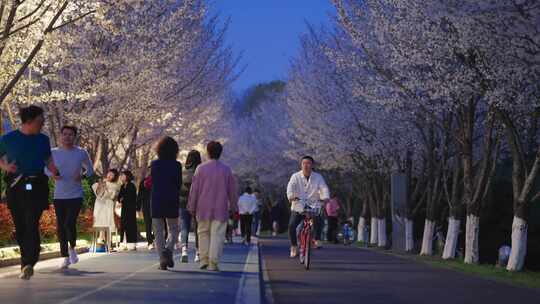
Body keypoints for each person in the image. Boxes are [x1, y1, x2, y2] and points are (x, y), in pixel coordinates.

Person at [0, 105, 59, 280]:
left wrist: (54, 171)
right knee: (20, 224)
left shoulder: (43, 139)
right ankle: (26, 262)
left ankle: (29, 261)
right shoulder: (8, 139)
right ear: (29, 121)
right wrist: (5, 166)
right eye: (40, 121)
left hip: (37, 183)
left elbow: (48, 158)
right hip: (17, 184)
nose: (42, 124)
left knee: (32, 220)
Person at [47, 125, 94, 269]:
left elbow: (90, 170)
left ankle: (72, 248)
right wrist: (52, 175)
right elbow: (45, 168)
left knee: (69, 223)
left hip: (75, 194)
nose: (67, 137)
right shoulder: (53, 152)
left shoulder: (81, 152)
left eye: (70, 135)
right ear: (60, 136)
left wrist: (82, 175)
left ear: (75, 137)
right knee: (61, 226)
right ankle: (65, 256)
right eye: (65, 134)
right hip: (59, 195)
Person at [188, 141, 238, 271]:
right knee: (217, 235)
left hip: (202, 208)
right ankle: (213, 262)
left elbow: (194, 190)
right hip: (221, 208)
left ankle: (203, 259)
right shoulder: (226, 170)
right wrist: (234, 207)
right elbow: (232, 191)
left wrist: (191, 206)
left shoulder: (201, 168)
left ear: (208, 152)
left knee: (203, 233)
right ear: (220, 153)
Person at [286, 155, 329, 258]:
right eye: (304, 163)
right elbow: (290, 187)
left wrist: (325, 197)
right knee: (292, 225)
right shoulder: (295, 176)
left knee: (318, 218)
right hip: (298, 205)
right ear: (301, 165)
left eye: (308, 163)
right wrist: (291, 196)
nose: (306, 165)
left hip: (313, 205)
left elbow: (324, 188)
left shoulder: (318, 177)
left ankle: (317, 238)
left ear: (312, 165)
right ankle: (294, 246)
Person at [151, 136, 182, 270]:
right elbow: (179, 184)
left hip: (157, 199)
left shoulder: (155, 164)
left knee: (158, 230)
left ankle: (161, 258)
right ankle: (168, 251)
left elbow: (153, 181)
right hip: (172, 199)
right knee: (174, 228)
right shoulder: (177, 165)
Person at [179, 150, 202, 263]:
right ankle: (198, 253)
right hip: (197, 203)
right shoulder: (201, 172)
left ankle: (184, 250)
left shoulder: (182, 172)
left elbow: (178, 189)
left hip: (183, 203)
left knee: (184, 227)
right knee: (198, 227)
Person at [92, 169, 121, 247]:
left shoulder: (115, 185)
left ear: (115, 177)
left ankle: (109, 241)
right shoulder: (101, 182)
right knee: (99, 219)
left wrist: (105, 188)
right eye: (109, 173)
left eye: (112, 175)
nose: (109, 175)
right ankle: (100, 239)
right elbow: (97, 192)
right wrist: (101, 185)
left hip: (108, 204)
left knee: (107, 221)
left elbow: (111, 196)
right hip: (99, 204)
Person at [118, 170, 138, 251]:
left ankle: (132, 243)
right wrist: (120, 200)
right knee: (123, 225)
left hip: (131, 209)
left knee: (131, 225)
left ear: (127, 176)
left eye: (123, 175)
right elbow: (119, 196)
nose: (121, 177)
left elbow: (131, 197)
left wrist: (123, 199)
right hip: (124, 209)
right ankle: (123, 243)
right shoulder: (122, 186)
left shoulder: (132, 186)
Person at [137, 170, 154, 250]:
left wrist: (138, 207)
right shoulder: (144, 182)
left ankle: (150, 242)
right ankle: (151, 241)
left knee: (148, 224)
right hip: (152, 206)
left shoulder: (144, 182)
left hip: (147, 206)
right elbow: (140, 195)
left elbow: (140, 195)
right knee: (154, 224)